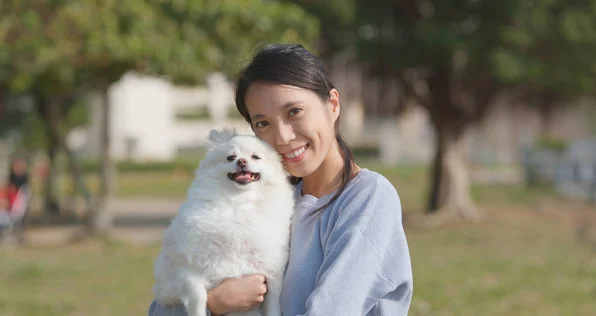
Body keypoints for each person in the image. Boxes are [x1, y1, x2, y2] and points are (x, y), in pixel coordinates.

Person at [148, 44, 413, 316]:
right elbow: (162, 307)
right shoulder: (263, 202)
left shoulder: (367, 198)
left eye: (294, 112)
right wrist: (213, 304)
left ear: (332, 104)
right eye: (263, 123)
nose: (283, 137)